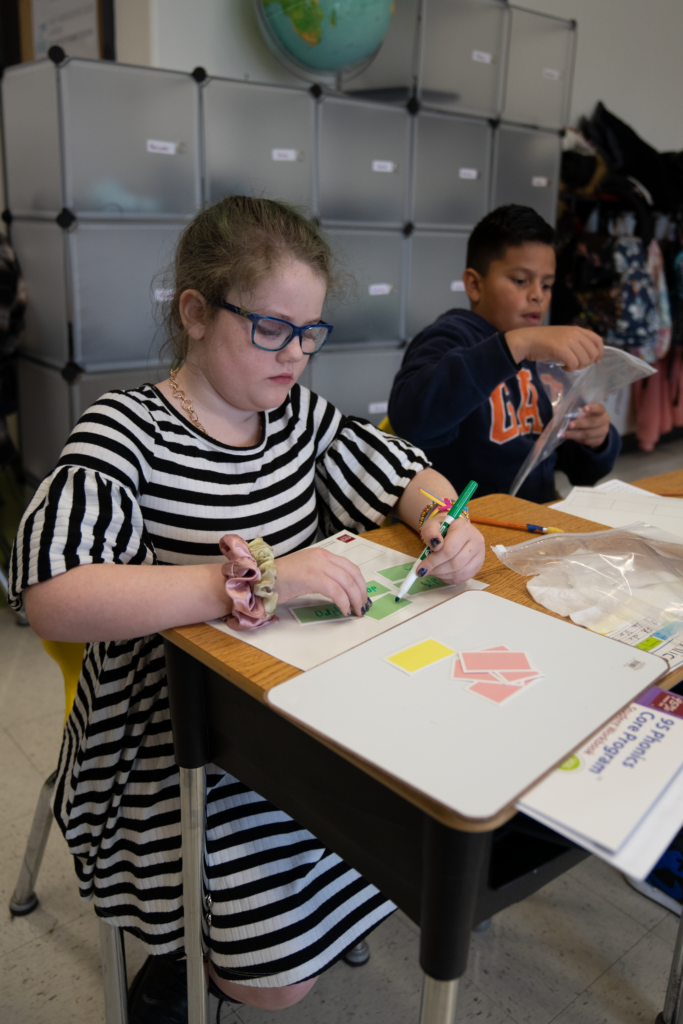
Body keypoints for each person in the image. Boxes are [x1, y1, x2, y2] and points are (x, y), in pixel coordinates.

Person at [8, 196, 485, 1021]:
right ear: (195, 312)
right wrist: (248, 580)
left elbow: (398, 468)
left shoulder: (293, 417)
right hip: (172, 738)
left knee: (404, 831)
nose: (295, 356)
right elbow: (52, 596)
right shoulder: (127, 432)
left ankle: (259, 930)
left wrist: (444, 516)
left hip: (295, 705)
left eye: (310, 333)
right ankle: (176, 958)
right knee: (276, 982)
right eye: (271, 329)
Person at [389, 205, 622, 503]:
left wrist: (597, 440)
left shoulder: (545, 357)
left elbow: (582, 471)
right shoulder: (448, 338)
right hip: (466, 528)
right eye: (521, 281)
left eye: (547, 284)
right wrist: (514, 345)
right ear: (474, 285)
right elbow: (412, 420)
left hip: (534, 519)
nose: (538, 295)